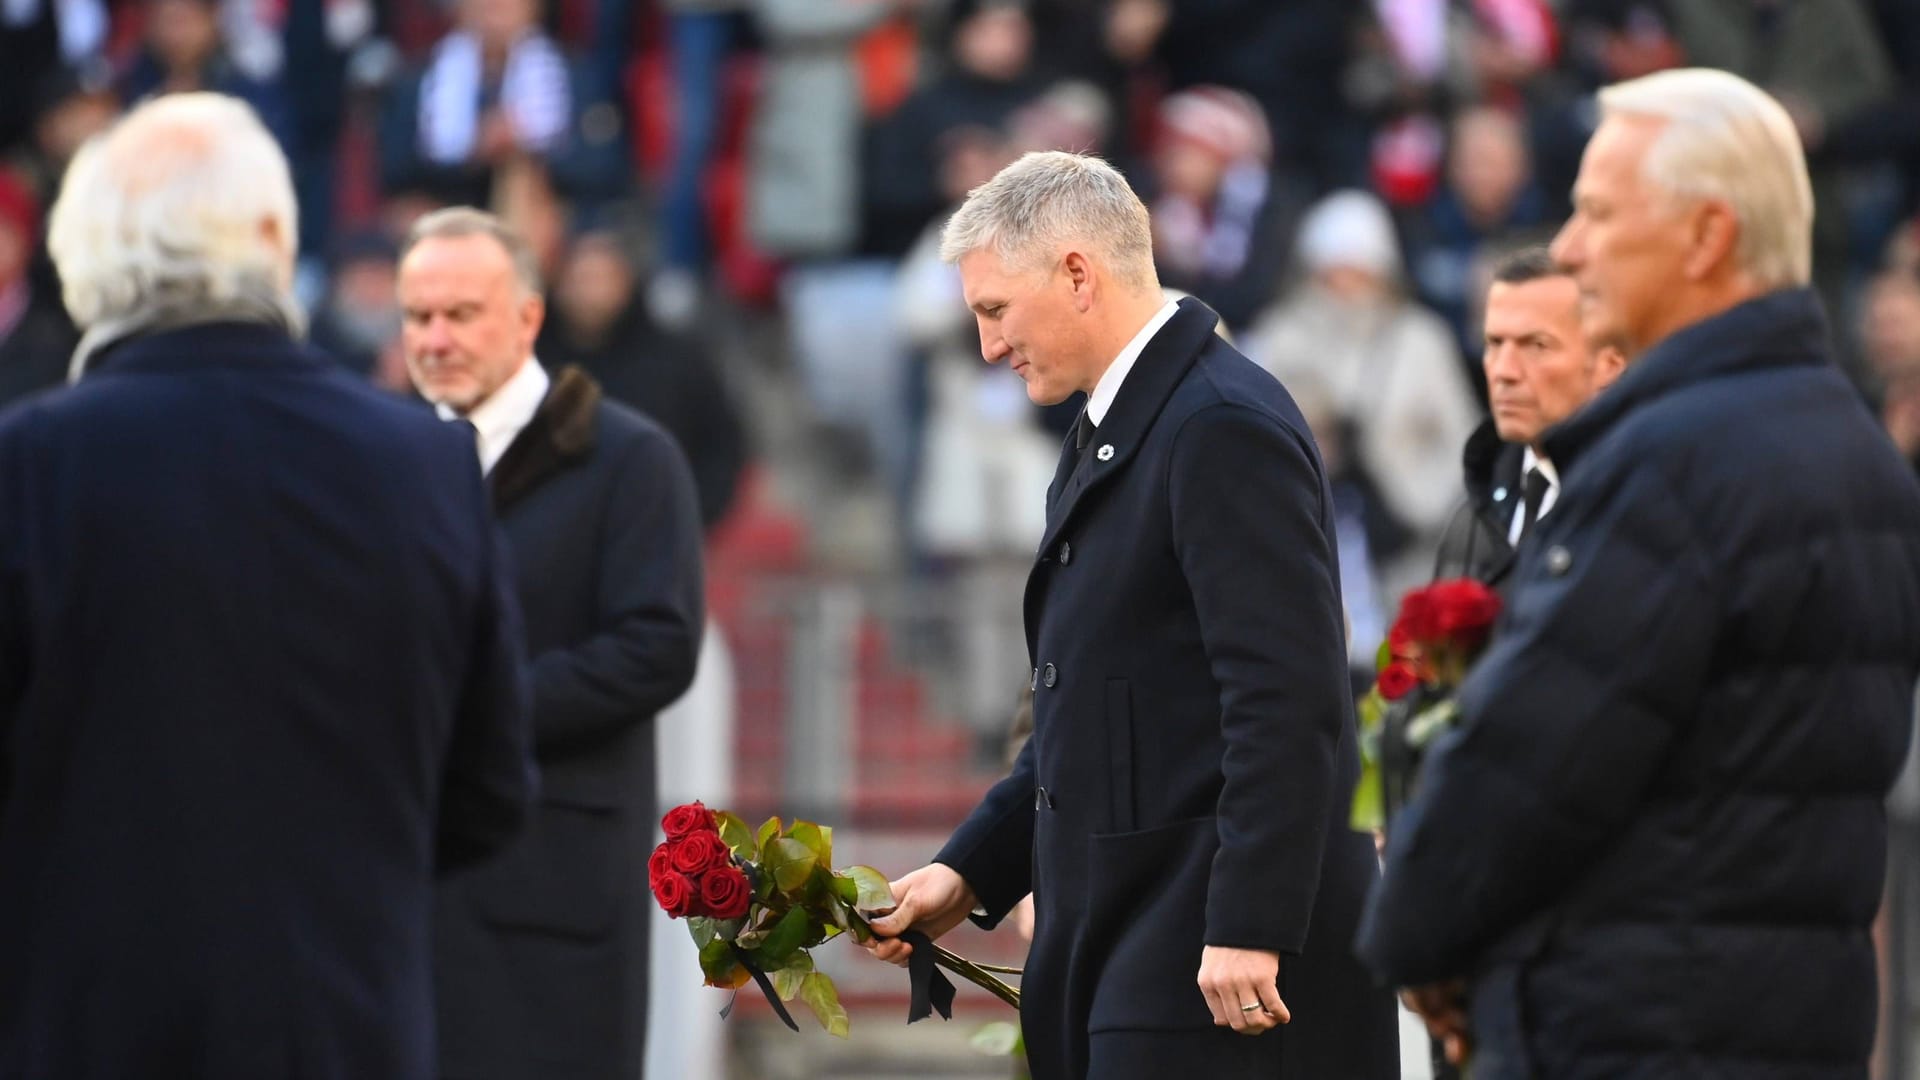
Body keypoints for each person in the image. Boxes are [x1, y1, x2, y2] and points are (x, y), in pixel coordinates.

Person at [1357, 68, 1920, 1079]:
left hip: (1629, 1026)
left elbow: (1533, 762)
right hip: (1789, 1023)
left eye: (1599, 212)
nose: (1569, 246)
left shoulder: (1672, 462)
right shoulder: (1855, 449)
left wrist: (1414, 942)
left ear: (1706, 238)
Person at [0, 93, 535, 1078]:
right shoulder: (427, 466)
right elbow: (490, 794)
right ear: (280, 243)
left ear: (81, 266)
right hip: (344, 1033)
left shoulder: (28, 467)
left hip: (77, 1031)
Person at [863, 150, 1396, 1080]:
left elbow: (1290, 699)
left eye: (995, 311)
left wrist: (1251, 923)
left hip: (1217, 970)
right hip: (1150, 949)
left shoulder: (1218, 424)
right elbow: (1095, 711)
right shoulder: (1122, 427)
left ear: (1077, 274)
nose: (988, 346)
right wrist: (973, 870)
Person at [398, 206, 705, 1080]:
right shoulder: (372, 460)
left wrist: (472, 712)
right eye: (419, 316)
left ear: (529, 316)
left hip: (550, 896)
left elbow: (657, 646)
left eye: (462, 314)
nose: (437, 338)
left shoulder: (629, 459)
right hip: (394, 886)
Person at [1432, 245, 1625, 588]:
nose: (1504, 371)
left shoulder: (1645, 513)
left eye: (1536, 345)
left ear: (1607, 363)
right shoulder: (1471, 521)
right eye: (1494, 343)